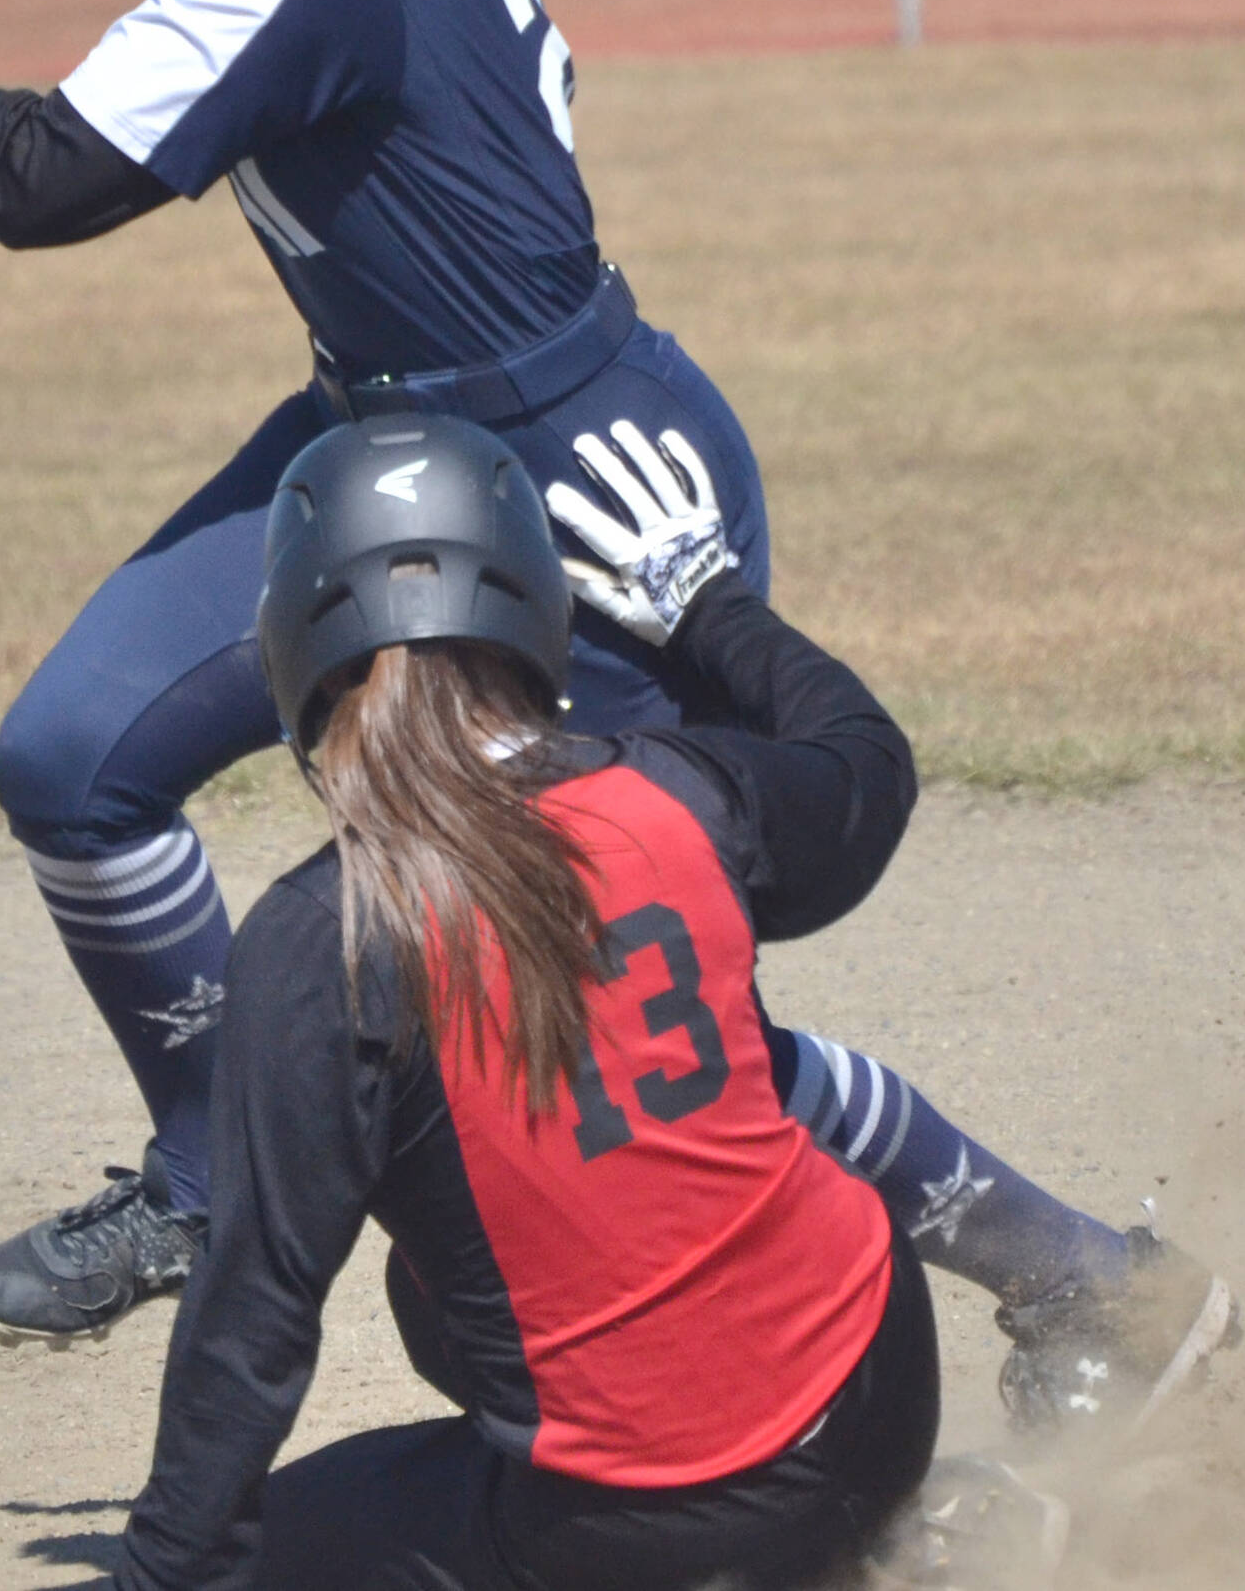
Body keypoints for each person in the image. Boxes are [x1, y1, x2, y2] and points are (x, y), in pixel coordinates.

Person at [0, 0, 1233, 1433]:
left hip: (572, 482)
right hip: (380, 443)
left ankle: (1086, 1281)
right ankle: (206, 1172)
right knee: (76, 759)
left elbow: (38, 181)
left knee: (596, 1011)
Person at [109, 407, 940, 1591]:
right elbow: (863, 760)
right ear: (534, 612)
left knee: (290, 1549)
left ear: (291, 645)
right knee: (432, 1287)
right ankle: (896, 1535)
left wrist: (163, 1575)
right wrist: (709, 604)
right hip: (880, 1382)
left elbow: (252, 1326)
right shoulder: (678, 793)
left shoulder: (322, 937)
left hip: (659, 1531)